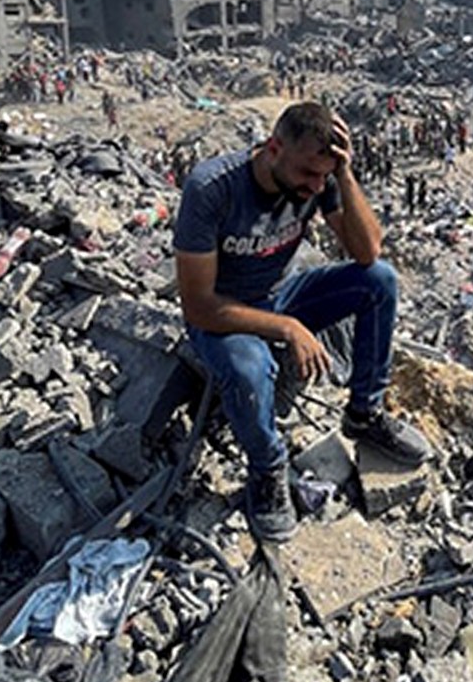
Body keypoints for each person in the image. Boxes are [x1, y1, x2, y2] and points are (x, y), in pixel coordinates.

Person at [174, 101, 430, 543]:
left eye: (323, 177)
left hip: (283, 294)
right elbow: (198, 306)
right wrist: (287, 329)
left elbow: (367, 252)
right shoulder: (213, 189)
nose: (314, 187)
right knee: (248, 369)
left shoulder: (320, 179)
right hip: (225, 313)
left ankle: (365, 414)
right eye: (307, 174)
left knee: (380, 281)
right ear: (273, 148)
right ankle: (267, 468)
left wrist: (344, 176)